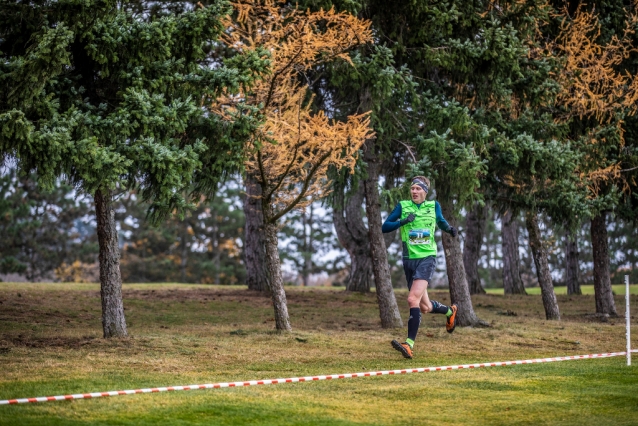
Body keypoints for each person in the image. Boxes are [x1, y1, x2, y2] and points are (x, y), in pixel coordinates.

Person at [382, 176, 458, 359]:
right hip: (409, 259)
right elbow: (385, 226)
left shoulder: (433, 206)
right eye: (412, 188)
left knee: (411, 299)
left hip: (427, 258)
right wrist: (403, 221)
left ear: (425, 191)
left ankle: (409, 345)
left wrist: (448, 229)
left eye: (418, 189)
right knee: (424, 306)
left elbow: (439, 221)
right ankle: (450, 311)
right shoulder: (403, 206)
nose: (414, 191)